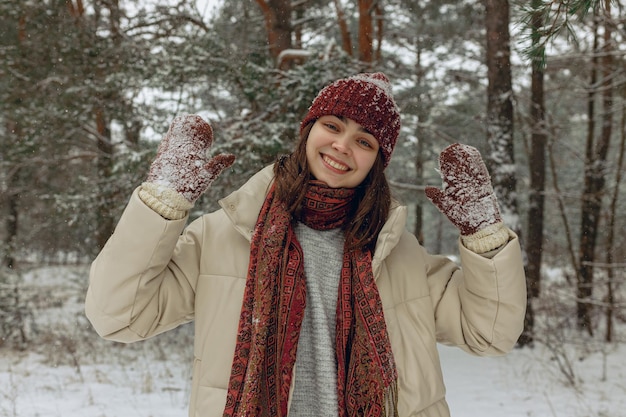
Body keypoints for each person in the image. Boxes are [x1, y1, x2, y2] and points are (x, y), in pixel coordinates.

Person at [85, 72, 526, 417]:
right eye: (332, 125)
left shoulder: (400, 255)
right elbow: (119, 316)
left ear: (377, 160)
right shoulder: (224, 236)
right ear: (308, 130)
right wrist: (162, 202)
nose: (342, 146)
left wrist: (484, 235)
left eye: (364, 140)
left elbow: (488, 333)